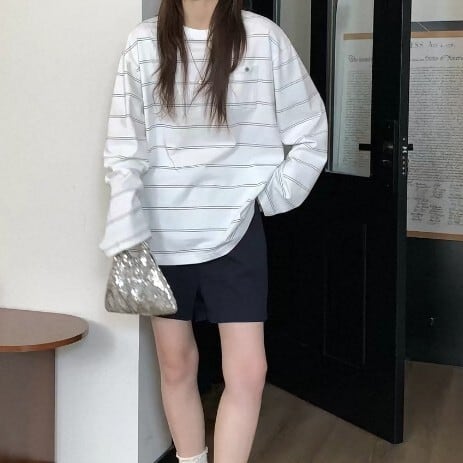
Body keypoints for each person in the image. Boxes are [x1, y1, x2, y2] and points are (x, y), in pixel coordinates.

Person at [99, 0, 328, 462]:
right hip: (162, 232)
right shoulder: (143, 43)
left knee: (248, 373)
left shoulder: (263, 38)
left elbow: (311, 131)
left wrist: (269, 198)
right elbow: (124, 148)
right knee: (176, 365)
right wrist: (126, 228)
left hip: (237, 231)